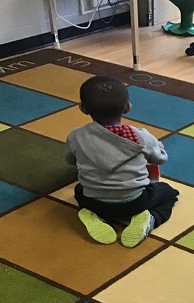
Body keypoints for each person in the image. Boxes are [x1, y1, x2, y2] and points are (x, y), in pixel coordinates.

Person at [64, 75, 179, 248]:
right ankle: (151, 218)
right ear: (127, 107)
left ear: (83, 108)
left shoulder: (76, 136)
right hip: (136, 201)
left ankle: (91, 214)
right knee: (169, 192)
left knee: (79, 189)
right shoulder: (141, 137)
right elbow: (160, 159)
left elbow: (70, 160)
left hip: (93, 200)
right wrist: (158, 146)